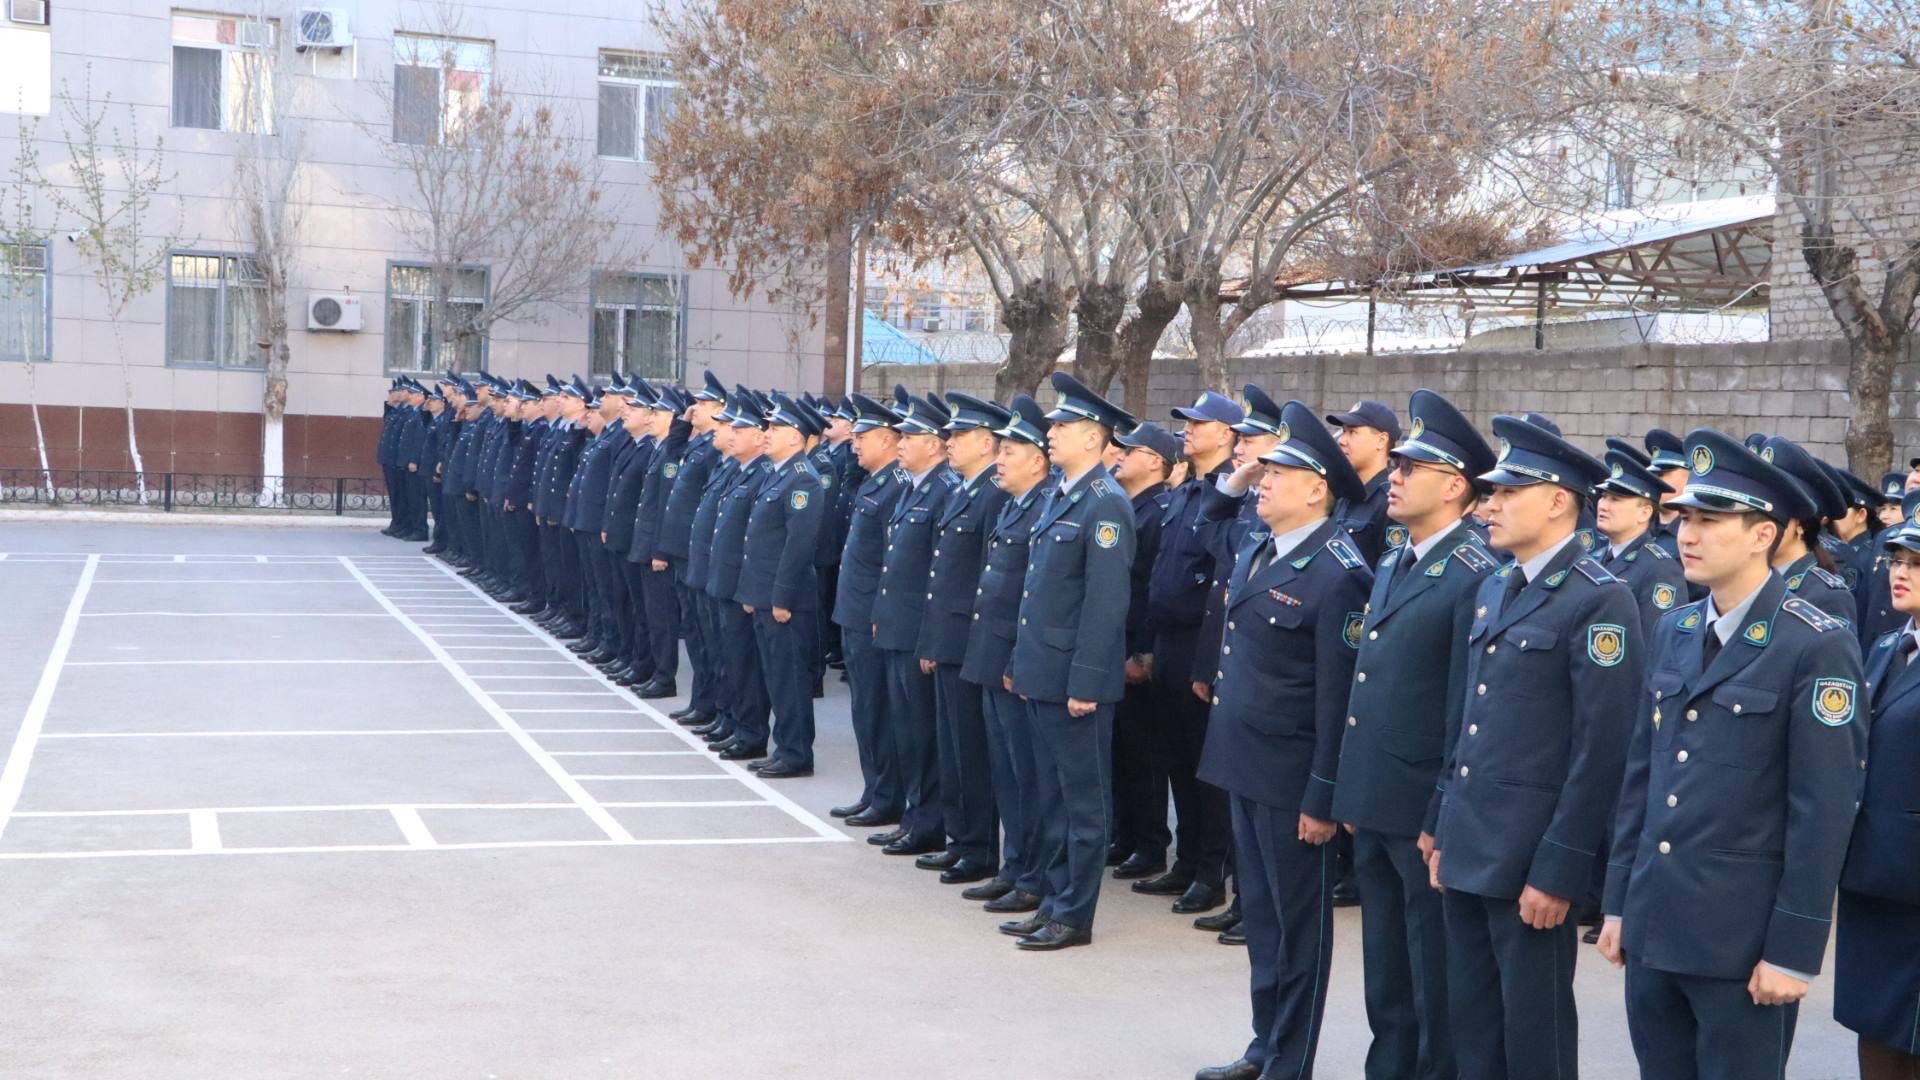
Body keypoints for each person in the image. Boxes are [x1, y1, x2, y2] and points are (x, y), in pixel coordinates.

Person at [1598, 427, 1866, 1080]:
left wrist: (1793, 950)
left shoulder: (1814, 643)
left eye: (1712, 519)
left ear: (1762, 534)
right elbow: (1644, 775)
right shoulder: (1676, 628)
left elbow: (1823, 809)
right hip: (1656, 926)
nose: (1688, 533)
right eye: (1685, 516)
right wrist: (1617, 902)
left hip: (1740, 945)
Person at [1429, 414, 1642, 1080]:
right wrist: (1440, 819)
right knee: (1473, 1023)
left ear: (1557, 501)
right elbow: (1469, 715)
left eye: (1506, 493)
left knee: (1535, 1036)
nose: (1488, 506)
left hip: (1529, 859)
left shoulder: (1600, 600)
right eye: (1490, 493)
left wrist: (1559, 869)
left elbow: (1602, 751)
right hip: (1468, 841)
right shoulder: (1496, 584)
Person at [1192, 400, 1372, 1080]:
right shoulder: (1262, 546)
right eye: (1263, 471)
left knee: (1299, 931)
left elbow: (1339, 698)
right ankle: (1264, 1045)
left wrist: (1324, 797)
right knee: (1264, 923)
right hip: (1244, 761)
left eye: (1279, 472)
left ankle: (1289, 1061)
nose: (1262, 480)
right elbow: (1218, 519)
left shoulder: (1340, 572)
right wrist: (1235, 485)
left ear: (1317, 488)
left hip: (1294, 776)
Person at [1330, 388, 1497, 1080]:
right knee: (1386, 969)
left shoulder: (1473, 573)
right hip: (1376, 795)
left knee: (1433, 970)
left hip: (1421, 804)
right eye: (1394, 466)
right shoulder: (1400, 556)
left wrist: (1441, 811)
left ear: (1454, 485)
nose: (1392, 479)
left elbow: (1466, 709)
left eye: (1410, 469)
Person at [996, 371, 1136, 952]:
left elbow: (1105, 606)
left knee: (1083, 803)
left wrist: (1087, 682)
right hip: (1041, 671)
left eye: (1065, 426)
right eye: (1053, 425)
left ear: (1095, 437)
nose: (1052, 433)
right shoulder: (1060, 494)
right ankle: (1053, 900)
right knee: (1051, 795)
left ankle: (1075, 914)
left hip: (1073, 681)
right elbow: (1037, 594)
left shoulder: (1106, 504)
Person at [1137, 391, 1244, 912]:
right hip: (1169, 640)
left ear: (1226, 432)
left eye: (1199, 424)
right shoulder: (1183, 491)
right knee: (1176, 757)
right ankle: (1186, 861)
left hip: (1203, 642)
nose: (1188, 430)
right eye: (1187, 423)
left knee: (1207, 768)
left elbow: (1221, 581)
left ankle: (1211, 870)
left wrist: (1209, 659)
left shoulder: (1232, 491)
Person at [960, 395, 1053, 913]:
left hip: (1017, 661)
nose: (1000, 458)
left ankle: (1033, 874)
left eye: (1010, 451)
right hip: (993, 655)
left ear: (1037, 460)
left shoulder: (1043, 506)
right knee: (1007, 772)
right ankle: (1015, 866)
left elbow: (1033, 599)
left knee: (1028, 774)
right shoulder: (1015, 504)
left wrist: (1017, 659)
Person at [916, 392, 1011, 884]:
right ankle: (960, 838)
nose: (949, 442)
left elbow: (987, 579)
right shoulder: (964, 489)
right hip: (949, 637)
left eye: (959, 436)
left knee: (972, 751)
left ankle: (978, 847)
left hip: (971, 640)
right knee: (953, 746)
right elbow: (943, 575)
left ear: (986, 442)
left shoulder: (993, 495)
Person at [1837, 521, 1920, 1080]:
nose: (1901, 572)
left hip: (1913, 885)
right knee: (1876, 1037)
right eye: (1897, 560)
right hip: (1872, 879)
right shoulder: (1890, 646)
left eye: (1916, 563)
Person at [867, 389, 958, 857]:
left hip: (918, 631)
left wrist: (928, 636)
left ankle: (929, 823)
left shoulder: (943, 489)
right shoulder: (914, 485)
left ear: (936, 443)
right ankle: (913, 816)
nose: (900, 441)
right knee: (907, 730)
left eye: (910, 434)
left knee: (924, 736)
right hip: (898, 626)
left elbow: (938, 575)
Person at [829, 393, 909, 828]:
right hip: (854, 611)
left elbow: (893, 562)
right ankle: (873, 788)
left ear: (889, 440)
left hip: (872, 614)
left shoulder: (895, 486)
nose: (854, 444)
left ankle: (887, 795)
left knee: (879, 711)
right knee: (865, 710)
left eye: (863, 437)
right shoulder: (874, 480)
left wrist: (879, 609)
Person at [738, 392, 827, 778]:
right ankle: (783, 747)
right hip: (764, 594)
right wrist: (752, 594)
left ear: (796, 437)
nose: (768, 433)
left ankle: (796, 753)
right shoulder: (779, 476)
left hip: (785, 600)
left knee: (790, 680)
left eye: (776, 428)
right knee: (776, 676)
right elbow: (759, 541)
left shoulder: (803, 479)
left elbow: (798, 545)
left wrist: (780, 597)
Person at [1105, 421, 1177, 882]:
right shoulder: (1129, 506)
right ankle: (1127, 834)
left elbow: (1153, 588)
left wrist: (1143, 651)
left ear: (1155, 461)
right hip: (1118, 643)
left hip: (1136, 648)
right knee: (1121, 750)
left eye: (1130, 451)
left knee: (1144, 753)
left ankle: (1150, 843)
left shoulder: (1159, 511)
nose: (1119, 456)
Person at [705, 390, 776, 762]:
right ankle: (735, 721)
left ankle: (750, 731)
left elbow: (757, 540)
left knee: (746, 663)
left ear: (759, 435)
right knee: (731, 657)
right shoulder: (737, 469)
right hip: (725, 579)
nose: (730, 433)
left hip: (740, 584)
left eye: (739, 427)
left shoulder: (762, 472)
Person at [661, 373, 729, 728]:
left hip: (696, 551)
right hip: (683, 548)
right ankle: (701, 700)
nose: (694, 409)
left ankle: (711, 704)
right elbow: (671, 459)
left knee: (706, 638)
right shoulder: (697, 444)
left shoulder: (716, 449)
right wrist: (681, 424)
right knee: (696, 632)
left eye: (702, 405)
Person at [1758, 436, 1857, 623]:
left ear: (1801, 523)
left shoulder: (1827, 597)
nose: (1756, 521)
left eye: (1770, 511)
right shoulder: (1751, 580)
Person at [1595, 449, 1689, 643]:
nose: (1603, 505)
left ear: (1644, 513)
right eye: (1604, 496)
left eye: (1615, 499)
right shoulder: (1594, 555)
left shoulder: (1660, 569)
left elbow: (1656, 644)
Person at [1326, 399, 1401, 564]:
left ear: (1381, 441)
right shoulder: (1342, 496)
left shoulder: (1391, 502)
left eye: (1352, 432)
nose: (1341, 440)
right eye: (1343, 432)